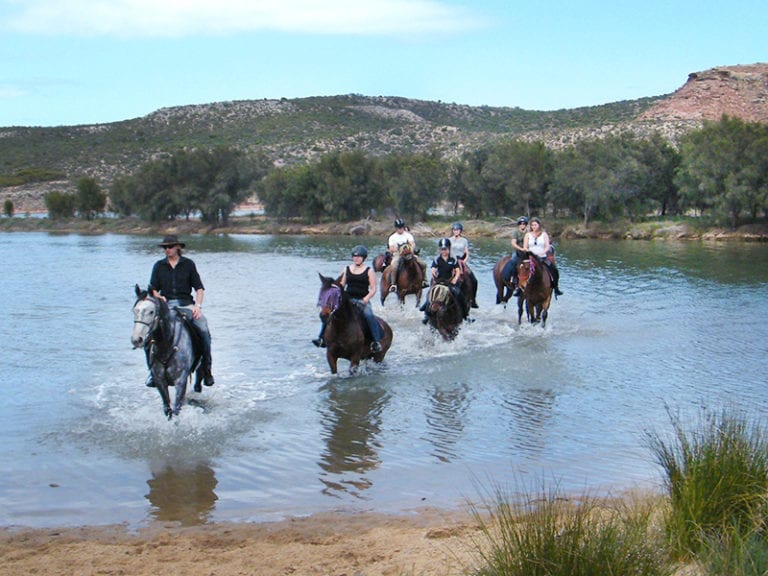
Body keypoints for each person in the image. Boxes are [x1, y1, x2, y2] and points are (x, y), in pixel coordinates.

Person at [148, 235, 214, 387]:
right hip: (167, 307)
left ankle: (207, 368)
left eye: (170, 247)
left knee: (203, 328)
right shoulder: (159, 266)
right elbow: (153, 289)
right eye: (165, 247)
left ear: (177, 247)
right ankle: (153, 372)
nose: (167, 250)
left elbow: (199, 288)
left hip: (187, 305)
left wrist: (198, 306)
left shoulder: (188, 264)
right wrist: (159, 297)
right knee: (149, 334)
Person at [313, 245, 383, 352]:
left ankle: (375, 341)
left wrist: (365, 299)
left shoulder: (369, 271)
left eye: (359, 257)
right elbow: (341, 285)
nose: (356, 258)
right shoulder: (347, 269)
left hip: (362, 300)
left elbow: (373, 289)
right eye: (354, 256)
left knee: (369, 315)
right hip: (347, 299)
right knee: (329, 313)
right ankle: (321, 338)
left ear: (364, 258)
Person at [421, 238, 471, 323]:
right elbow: (433, 269)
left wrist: (455, 279)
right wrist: (434, 275)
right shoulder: (437, 259)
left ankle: (465, 316)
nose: (444, 251)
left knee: (459, 294)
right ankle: (427, 314)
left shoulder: (453, 259)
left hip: (449, 282)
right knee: (430, 294)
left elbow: (458, 271)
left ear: (449, 249)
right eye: (442, 249)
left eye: (445, 249)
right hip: (438, 282)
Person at [523, 217, 563, 296]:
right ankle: (519, 289)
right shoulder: (527, 235)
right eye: (532, 225)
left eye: (535, 225)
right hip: (531, 258)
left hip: (542, 257)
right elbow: (525, 247)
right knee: (521, 270)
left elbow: (547, 246)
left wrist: (542, 253)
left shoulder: (544, 234)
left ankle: (556, 287)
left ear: (539, 225)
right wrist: (530, 252)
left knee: (554, 270)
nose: (534, 227)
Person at [387, 219, 428, 290]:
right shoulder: (392, 237)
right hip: (398, 254)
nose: (400, 229)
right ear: (396, 228)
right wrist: (399, 250)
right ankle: (393, 284)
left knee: (423, 264)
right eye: (399, 228)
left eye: (401, 227)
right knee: (394, 265)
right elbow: (391, 248)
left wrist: (411, 249)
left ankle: (424, 280)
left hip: (409, 253)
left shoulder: (408, 235)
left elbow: (412, 243)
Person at [449, 221, 478, 308]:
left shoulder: (464, 240)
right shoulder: (449, 240)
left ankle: (473, 300)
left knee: (474, 279)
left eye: (457, 230)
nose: (456, 231)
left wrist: (464, 261)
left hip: (461, 261)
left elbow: (467, 252)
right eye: (454, 230)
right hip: (451, 261)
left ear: (460, 231)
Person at [503, 216, 529, 297]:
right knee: (513, 262)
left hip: (528, 252)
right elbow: (513, 243)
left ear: (526, 224)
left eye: (524, 223)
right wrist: (521, 249)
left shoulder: (529, 232)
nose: (522, 225)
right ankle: (514, 279)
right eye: (520, 223)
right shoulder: (516, 232)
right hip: (518, 252)